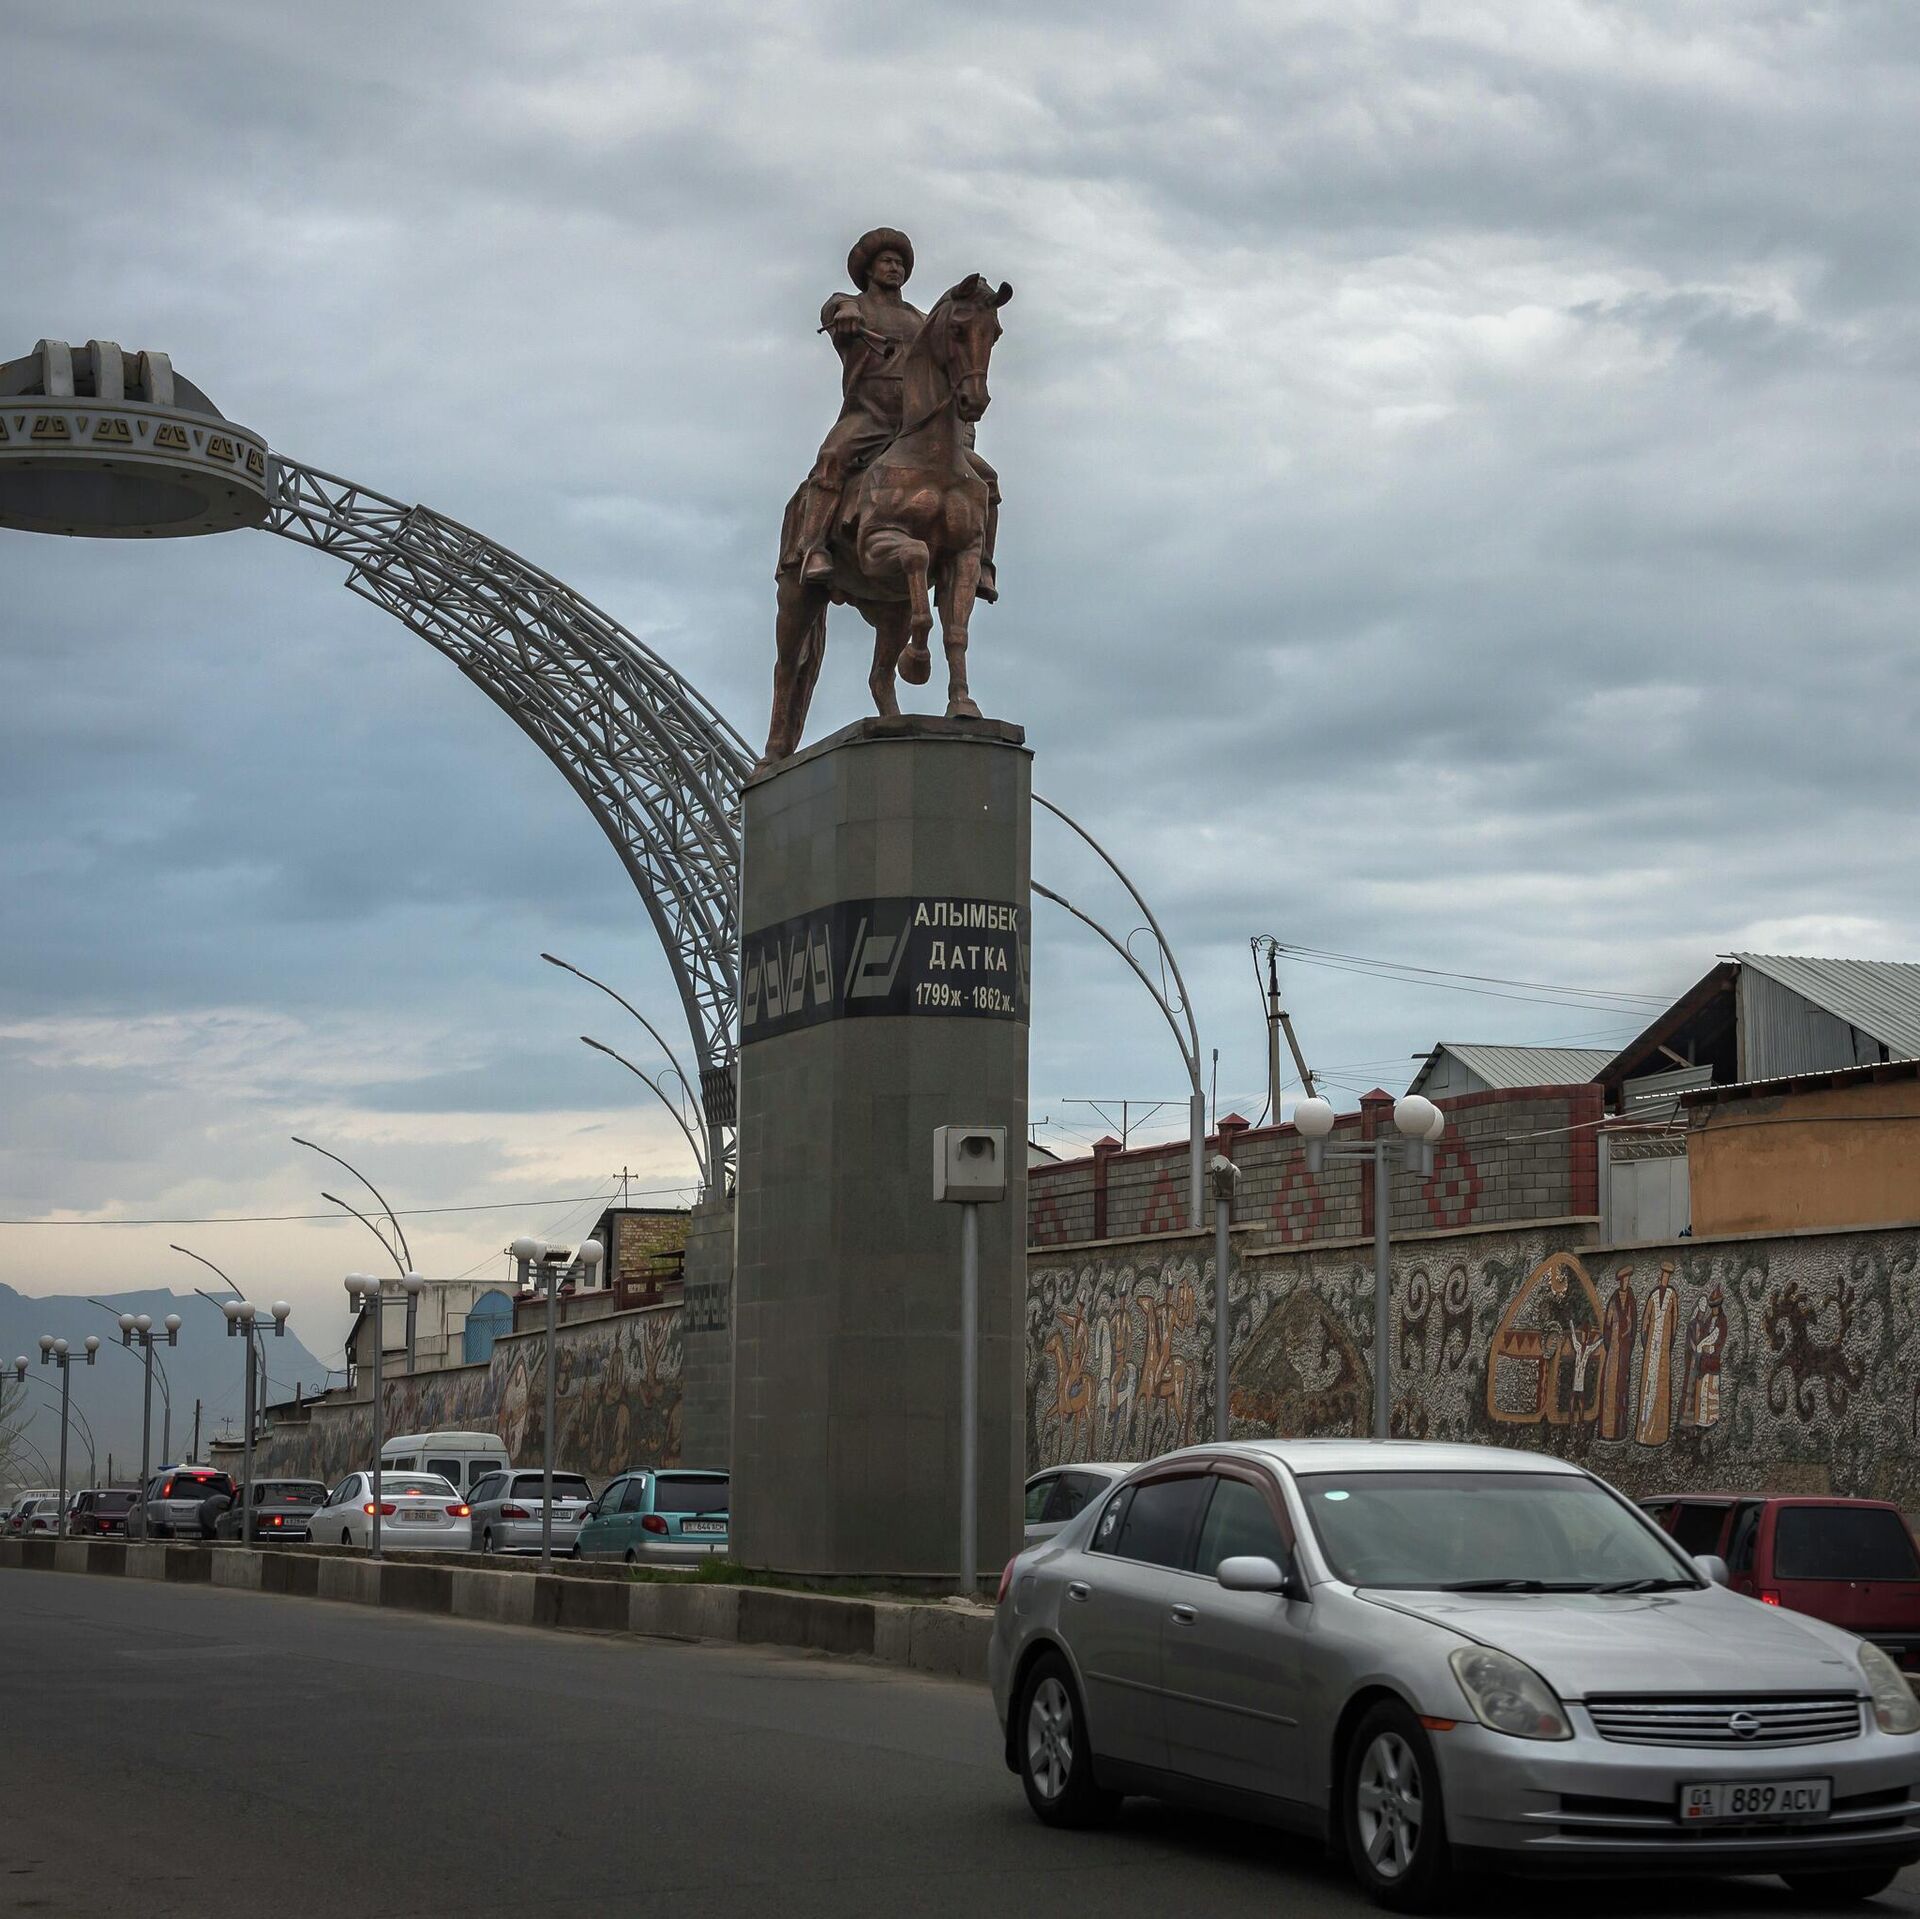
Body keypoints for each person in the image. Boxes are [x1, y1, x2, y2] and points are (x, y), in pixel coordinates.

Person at [789, 226, 1000, 600]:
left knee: (986, 479)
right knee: (832, 458)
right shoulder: (854, 306)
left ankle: (982, 564)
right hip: (870, 415)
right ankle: (813, 547)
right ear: (869, 269)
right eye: (887, 261)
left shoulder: (920, 320)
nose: (895, 268)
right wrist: (846, 313)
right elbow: (834, 305)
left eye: (900, 263)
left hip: (915, 424)